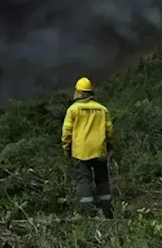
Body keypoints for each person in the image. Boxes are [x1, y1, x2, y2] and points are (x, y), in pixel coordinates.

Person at [61, 77, 114, 218]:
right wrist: (108, 146)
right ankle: (107, 210)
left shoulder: (73, 109)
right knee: (102, 180)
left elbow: (67, 132)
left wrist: (66, 148)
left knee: (84, 181)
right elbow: (109, 130)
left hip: (80, 151)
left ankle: (88, 212)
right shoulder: (102, 109)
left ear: (78, 92)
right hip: (99, 150)